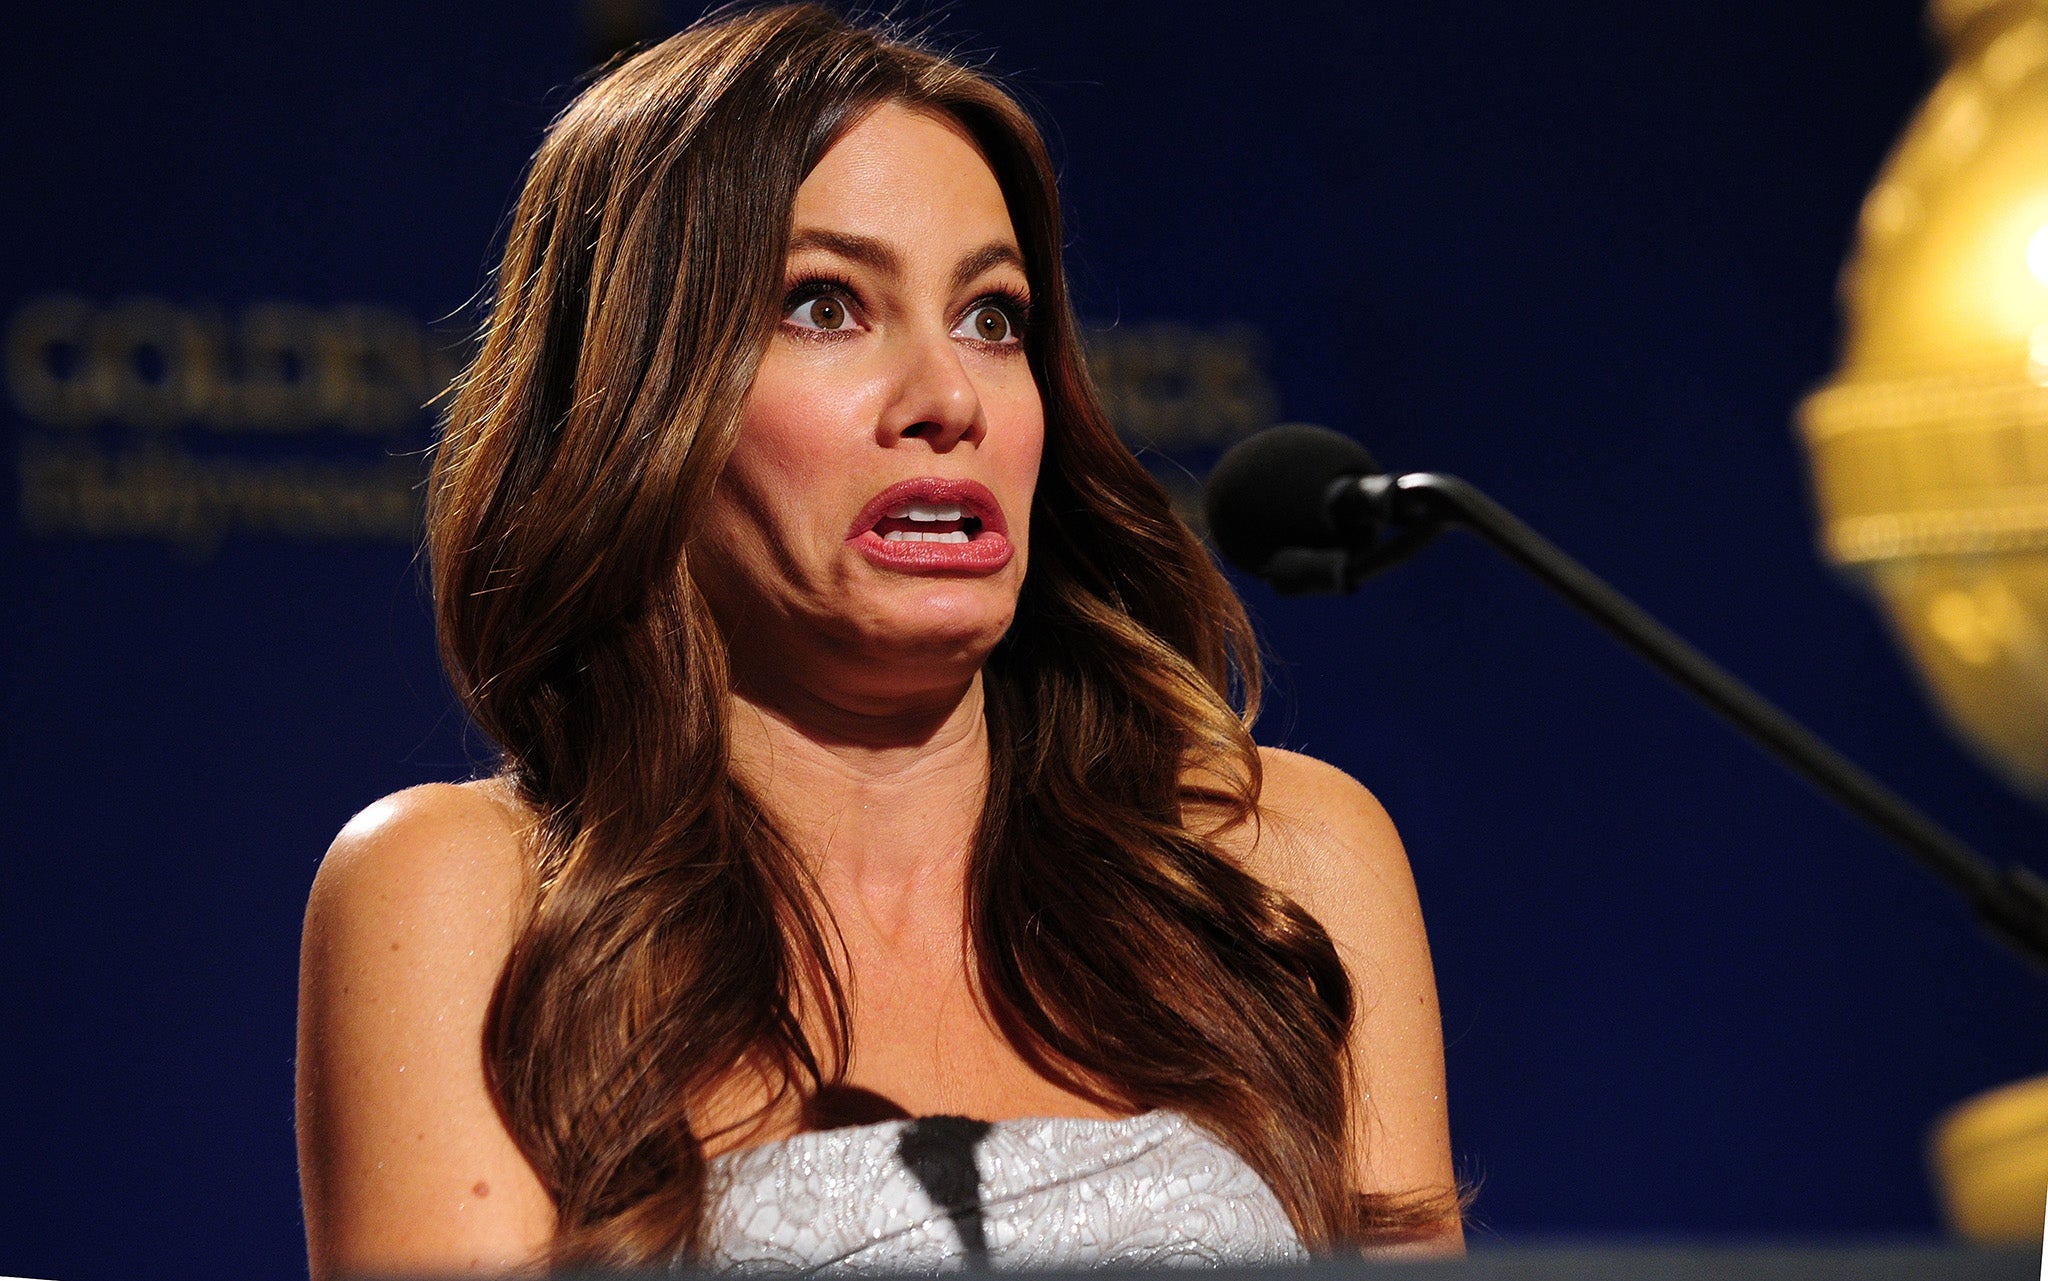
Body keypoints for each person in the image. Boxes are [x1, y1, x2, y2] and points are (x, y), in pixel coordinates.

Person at [294, 5, 1462, 1276]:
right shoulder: (469, 900)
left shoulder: (1273, 870)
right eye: (822, 305)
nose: (946, 397)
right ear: (638, 401)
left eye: (991, 317)